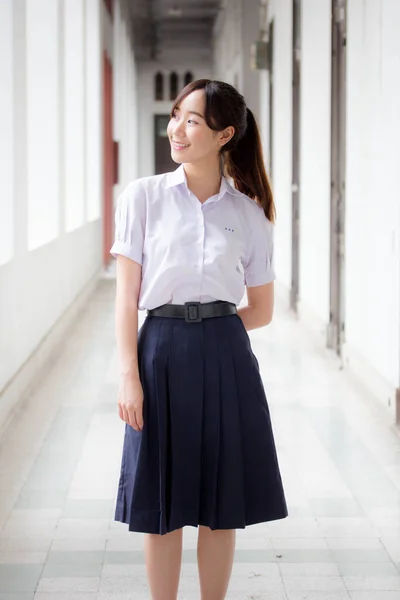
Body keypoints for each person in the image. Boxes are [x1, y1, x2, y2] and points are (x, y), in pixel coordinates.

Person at [110, 79, 288, 600]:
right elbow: (125, 299)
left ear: (224, 134)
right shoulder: (143, 197)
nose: (176, 129)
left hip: (226, 355)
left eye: (192, 120)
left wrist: (214, 334)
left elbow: (262, 310)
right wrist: (130, 375)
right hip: (158, 349)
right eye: (175, 116)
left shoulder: (249, 214)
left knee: (220, 501)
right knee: (161, 505)